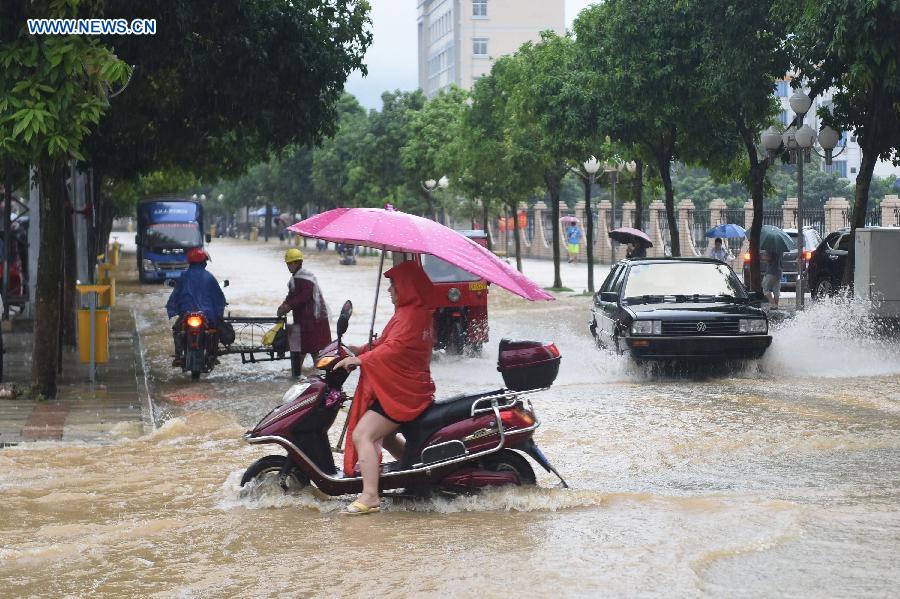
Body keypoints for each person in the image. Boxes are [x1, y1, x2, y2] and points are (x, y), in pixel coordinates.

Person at [334, 260, 435, 515]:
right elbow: (384, 343)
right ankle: (413, 473)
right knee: (387, 435)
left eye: (394, 284)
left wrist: (361, 359)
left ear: (407, 287)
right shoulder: (412, 312)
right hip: (406, 387)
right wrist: (360, 350)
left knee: (362, 434)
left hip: (402, 392)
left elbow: (394, 349)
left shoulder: (411, 316)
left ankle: (369, 496)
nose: (390, 290)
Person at [166, 247, 226, 366]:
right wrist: (220, 312)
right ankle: (212, 355)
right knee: (214, 331)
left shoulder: (184, 276)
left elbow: (175, 295)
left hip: (186, 313)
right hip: (207, 314)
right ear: (203, 262)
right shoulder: (209, 277)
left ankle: (178, 355)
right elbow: (218, 297)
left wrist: (172, 308)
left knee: (177, 330)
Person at [277, 248, 331, 376]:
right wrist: (284, 305)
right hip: (302, 322)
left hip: (313, 322)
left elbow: (303, 297)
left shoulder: (305, 279)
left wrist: (288, 306)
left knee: (314, 350)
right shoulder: (296, 279)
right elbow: (292, 296)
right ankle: (298, 376)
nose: (289, 266)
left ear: (298, 263)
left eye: (291, 263)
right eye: (288, 264)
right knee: (299, 350)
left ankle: (320, 376)